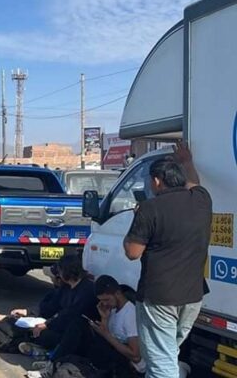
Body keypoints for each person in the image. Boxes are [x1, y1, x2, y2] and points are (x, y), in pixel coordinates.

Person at [123, 142, 211, 378]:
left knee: (161, 364)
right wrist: (187, 161)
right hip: (192, 296)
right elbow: (195, 182)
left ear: (157, 181)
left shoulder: (149, 208)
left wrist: (136, 220)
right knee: (168, 353)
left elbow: (132, 252)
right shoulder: (202, 200)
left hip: (159, 298)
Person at [27, 276, 145, 378]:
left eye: (106, 300)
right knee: (78, 325)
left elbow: (135, 356)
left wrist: (106, 335)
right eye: (102, 301)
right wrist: (104, 318)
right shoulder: (113, 309)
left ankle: (53, 363)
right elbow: (107, 334)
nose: (105, 304)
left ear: (118, 293)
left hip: (127, 364)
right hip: (113, 350)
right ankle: (54, 361)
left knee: (80, 327)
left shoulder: (130, 313)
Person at [18, 256, 98, 354]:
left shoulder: (87, 289)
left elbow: (72, 313)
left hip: (77, 332)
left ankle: (49, 353)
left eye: (60, 272)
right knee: (32, 330)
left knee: (46, 335)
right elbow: (52, 307)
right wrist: (31, 313)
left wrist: (47, 324)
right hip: (60, 325)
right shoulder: (66, 287)